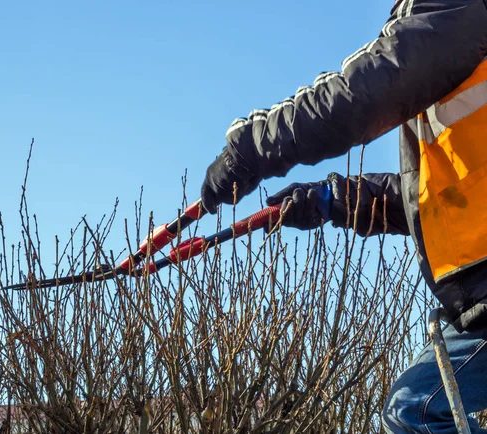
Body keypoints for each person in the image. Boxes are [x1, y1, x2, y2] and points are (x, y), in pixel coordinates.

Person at [199, 0, 487, 432]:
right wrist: (332, 199)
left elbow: (361, 93)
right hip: (476, 301)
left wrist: (253, 148)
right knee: (411, 409)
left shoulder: (454, 12)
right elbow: (440, 199)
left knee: (415, 412)